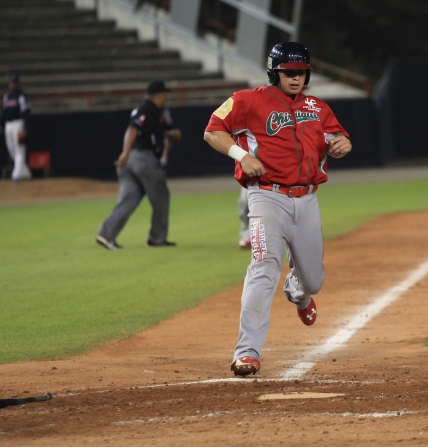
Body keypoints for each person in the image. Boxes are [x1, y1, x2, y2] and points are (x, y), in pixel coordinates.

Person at [203, 42, 351, 377]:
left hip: (308, 199)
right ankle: (247, 352)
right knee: (264, 265)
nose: (297, 78)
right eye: (289, 72)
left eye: (302, 72)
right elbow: (213, 131)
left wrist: (343, 144)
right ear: (275, 72)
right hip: (266, 197)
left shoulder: (317, 107)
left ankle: (299, 293)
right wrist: (242, 156)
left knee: (313, 280)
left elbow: (337, 139)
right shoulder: (247, 101)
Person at [95, 80, 182, 250]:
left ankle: (106, 234)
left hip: (132, 161)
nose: (166, 97)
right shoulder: (147, 109)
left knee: (129, 199)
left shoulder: (150, 111)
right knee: (161, 196)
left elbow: (147, 132)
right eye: (165, 94)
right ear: (159, 95)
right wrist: (125, 153)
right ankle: (157, 238)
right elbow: (133, 129)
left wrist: (168, 134)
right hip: (142, 159)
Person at [0, 73, 32, 181]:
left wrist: (25, 128)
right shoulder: (7, 96)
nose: (12, 85)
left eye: (14, 83)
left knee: (19, 149)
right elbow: (3, 111)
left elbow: (26, 112)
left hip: (18, 123)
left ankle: (16, 175)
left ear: (17, 84)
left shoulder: (22, 96)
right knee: (12, 150)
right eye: (10, 83)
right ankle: (26, 173)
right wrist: (0, 124)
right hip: (8, 124)